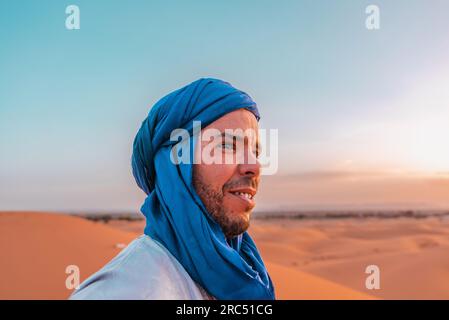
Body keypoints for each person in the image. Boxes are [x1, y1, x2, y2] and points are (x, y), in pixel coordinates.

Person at [70, 78, 275, 300]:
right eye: (226, 145)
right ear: (176, 165)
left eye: (255, 151)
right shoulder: (127, 291)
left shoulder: (244, 272)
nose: (254, 166)